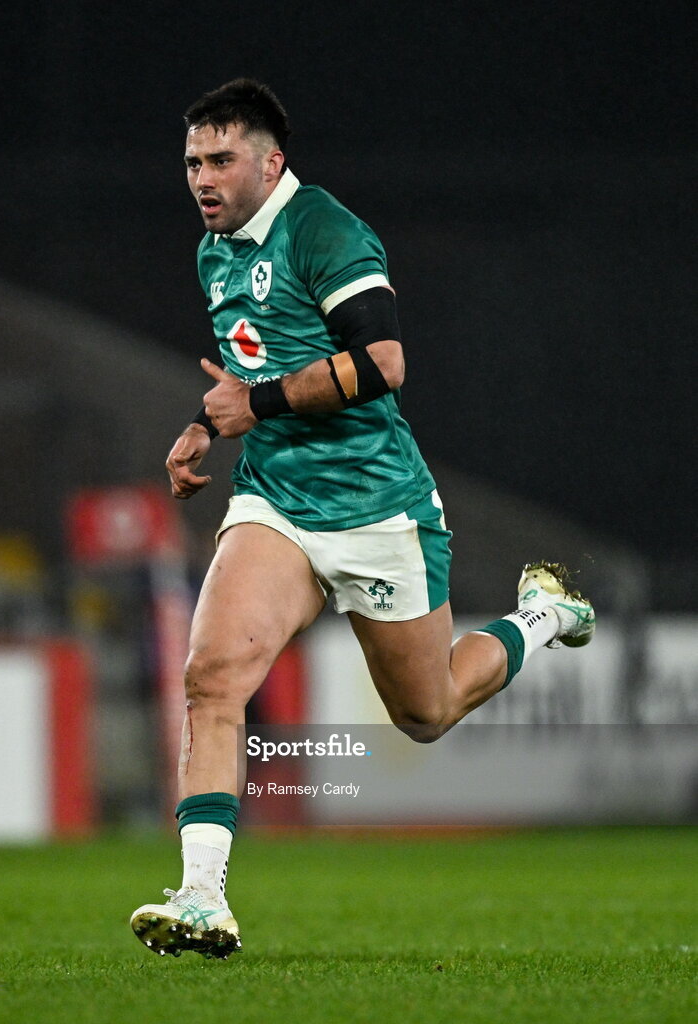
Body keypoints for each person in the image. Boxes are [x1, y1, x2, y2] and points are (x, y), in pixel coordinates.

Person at [130, 79, 595, 959]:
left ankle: (543, 615)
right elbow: (252, 379)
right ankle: (201, 898)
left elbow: (383, 362)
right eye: (193, 161)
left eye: (222, 159)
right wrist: (203, 426)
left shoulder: (328, 231)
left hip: (378, 505)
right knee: (212, 676)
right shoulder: (216, 251)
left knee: (427, 709)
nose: (202, 177)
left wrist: (250, 407)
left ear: (273, 162)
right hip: (276, 500)